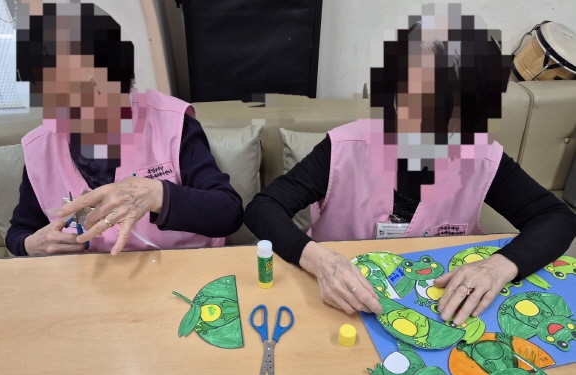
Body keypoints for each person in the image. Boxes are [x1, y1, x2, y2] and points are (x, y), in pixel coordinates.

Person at [244, 6, 576, 326]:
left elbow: (556, 218)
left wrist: (499, 266)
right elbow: (264, 207)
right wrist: (319, 260)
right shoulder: (344, 147)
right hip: (342, 302)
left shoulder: (482, 156)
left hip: (435, 305)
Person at [6, 1, 243, 257]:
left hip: (180, 264)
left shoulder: (171, 122)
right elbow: (20, 230)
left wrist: (157, 195)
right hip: (94, 273)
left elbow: (227, 212)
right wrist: (32, 244)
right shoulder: (40, 148)